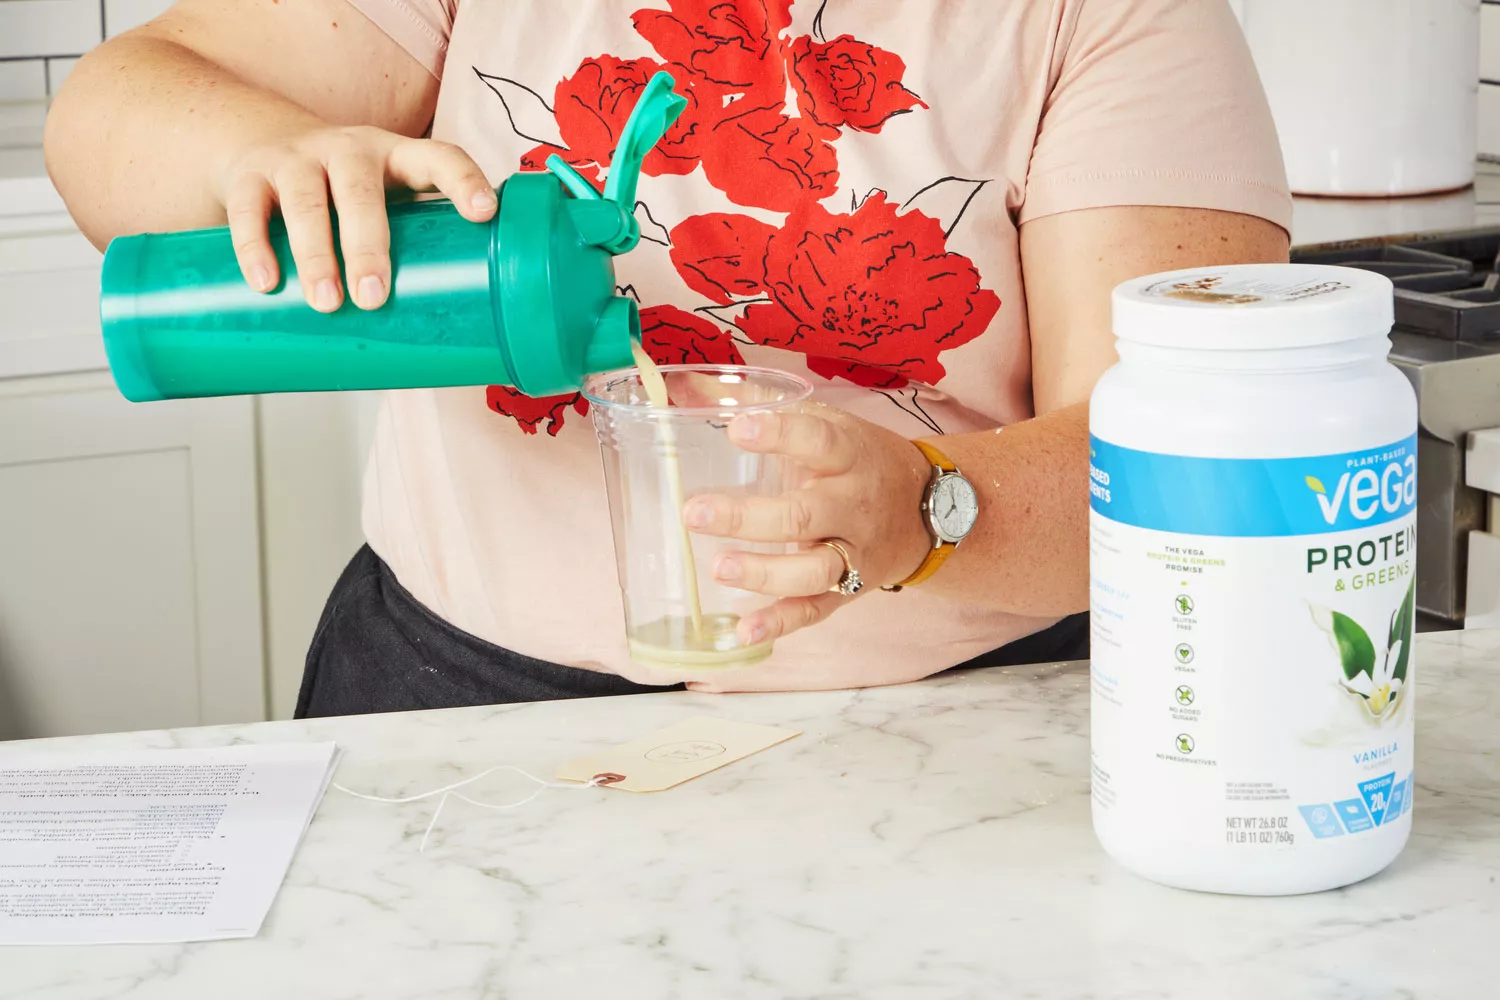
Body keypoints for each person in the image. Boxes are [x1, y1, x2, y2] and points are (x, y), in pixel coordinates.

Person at [45, 0, 1290, 716]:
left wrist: (932, 510)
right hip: (451, 691)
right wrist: (266, 155)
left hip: (946, 716)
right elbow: (115, 108)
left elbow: (1193, 445)